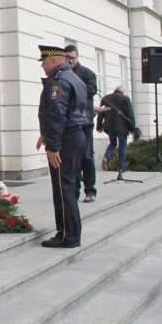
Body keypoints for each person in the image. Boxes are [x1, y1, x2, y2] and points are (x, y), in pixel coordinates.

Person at [36, 45, 88, 248]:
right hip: (76, 136)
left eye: (43, 62)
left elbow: (58, 114)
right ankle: (67, 232)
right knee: (67, 185)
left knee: (62, 187)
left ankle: (68, 235)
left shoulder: (58, 82)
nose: (42, 66)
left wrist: (53, 146)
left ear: (53, 61)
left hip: (65, 139)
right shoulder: (74, 78)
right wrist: (45, 135)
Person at [65, 45, 97, 203]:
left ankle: (90, 190)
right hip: (70, 123)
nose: (70, 61)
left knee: (87, 156)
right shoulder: (63, 74)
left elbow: (91, 90)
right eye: (68, 58)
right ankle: (75, 190)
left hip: (85, 121)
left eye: (73, 58)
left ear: (77, 57)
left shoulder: (86, 73)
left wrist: (75, 83)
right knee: (73, 158)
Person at [96, 84, 135, 174]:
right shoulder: (125, 99)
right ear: (123, 91)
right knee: (123, 145)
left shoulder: (106, 98)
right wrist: (132, 129)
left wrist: (99, 126)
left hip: (109, 126)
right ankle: (121, 167)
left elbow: (100, 112)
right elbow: (130, 114)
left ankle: (106, 157)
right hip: (122, 127)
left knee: (113, 143)